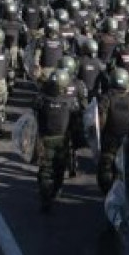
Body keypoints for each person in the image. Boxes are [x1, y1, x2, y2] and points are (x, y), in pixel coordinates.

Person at [34, 71, 77, 213]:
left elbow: (34, 115)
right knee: (59, 169)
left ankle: (46, 199)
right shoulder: (70, 102)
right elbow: (76, 121)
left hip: (45, 140)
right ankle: (56, 191)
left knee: (45, 171)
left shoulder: (41, 99)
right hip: (62, 141)